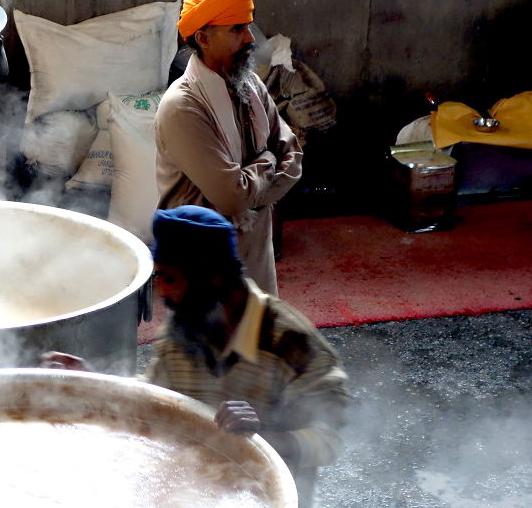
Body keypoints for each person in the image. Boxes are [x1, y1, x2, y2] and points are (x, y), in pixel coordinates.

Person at [42, 205, 349, 508]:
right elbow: (158, 402)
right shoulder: (185, 328)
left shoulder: (290, 343)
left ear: (213, 278)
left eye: (170, 279)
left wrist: (265, 437)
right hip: (196, 491)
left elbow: (331, 438)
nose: (162, 292)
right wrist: (95, 380)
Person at [154, 0, 303, 296]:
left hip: (255, 253)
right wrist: (266, 162)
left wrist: (250, 196)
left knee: (257, 340)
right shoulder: (183, 106)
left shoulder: (251, 86)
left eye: (248, 26)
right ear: (203, 39)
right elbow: (231, 197)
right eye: (237, 29)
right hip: (204, 263)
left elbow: (294, 159)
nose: (250, 38)